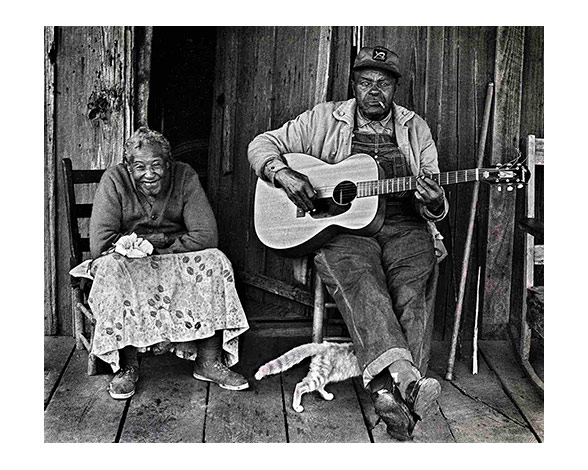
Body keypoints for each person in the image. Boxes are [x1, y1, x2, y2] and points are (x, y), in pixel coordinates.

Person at [248, 46, 448, 440]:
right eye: (366, 82)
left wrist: (436, 202)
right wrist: (284, 175)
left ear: (395, 89)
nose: (374, 91)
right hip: (343, 230)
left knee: (412, 288)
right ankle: (405, 383)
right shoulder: (324, 118)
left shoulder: (414, 128)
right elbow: (261, 145)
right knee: (363, 284)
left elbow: (434, 195)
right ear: (354, 84)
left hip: (405, 223)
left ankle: (389, 399)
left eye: (384, 84)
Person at [89, 126, 249, 399]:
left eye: (156, 165)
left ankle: (208, 361)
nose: (149, 174)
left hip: (172, 256)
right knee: (112, 269)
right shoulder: (114, 180)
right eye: (140, 166)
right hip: (126, 261)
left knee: (215, 261)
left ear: (168, 163)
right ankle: (127, 366)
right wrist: (151, 242)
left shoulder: (184, 176)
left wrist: (158, 246)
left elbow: (207, 236)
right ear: (128, 167)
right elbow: (102, 245)